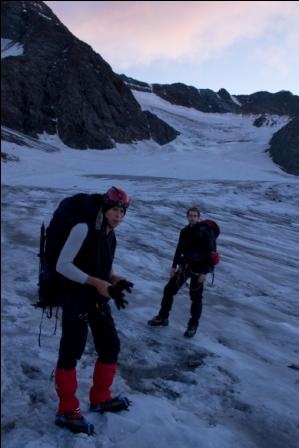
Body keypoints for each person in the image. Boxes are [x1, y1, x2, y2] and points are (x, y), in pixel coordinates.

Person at [52, 187, 134, 435]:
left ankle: (100, 398)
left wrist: (113, 278)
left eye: (122, 211)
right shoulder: (83, 229)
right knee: (71, 352)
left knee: (110, 346)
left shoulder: (110, 234)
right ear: (104, 209)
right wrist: (96, 282)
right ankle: (67, 410)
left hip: (98, 299)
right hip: (76, 297)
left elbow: (102, 265)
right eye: (114, 210)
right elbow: (62, 265)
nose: (118, 216)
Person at [148, 207, 218, 338]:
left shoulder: (204, 232)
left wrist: (204, 273)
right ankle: (163, 317)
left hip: (199, 269)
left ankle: (193, 325)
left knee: (196, 297)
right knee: (169, 289)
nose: (192, 218)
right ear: (187, 217)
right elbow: (179, 248)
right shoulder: (184, 231)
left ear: (198, 217)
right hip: (185, 266)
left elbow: (211, 253)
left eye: (195, 216)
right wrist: (174, 266)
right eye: (190, 215)